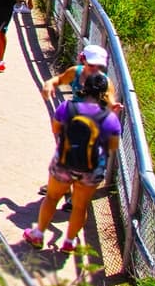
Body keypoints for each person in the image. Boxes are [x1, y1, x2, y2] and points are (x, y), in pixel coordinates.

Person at [23, 70, 123, 254]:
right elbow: (112, 146)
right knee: (80, 206)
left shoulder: (67, 107)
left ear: (84, 87)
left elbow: (56, 129)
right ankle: (69, 242)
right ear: (105, 94)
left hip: (64, 162)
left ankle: (38, 234)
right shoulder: (110, 118)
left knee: (52, 197)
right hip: (91, 170)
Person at [42, 43, 120, 112]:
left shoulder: (106, 82)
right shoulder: (75, 71)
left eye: (99, 66)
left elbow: (110, 100)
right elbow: (60, 79)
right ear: (83, 59)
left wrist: (113, 106)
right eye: (91, 65)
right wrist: (50, 83)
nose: (95, 69)